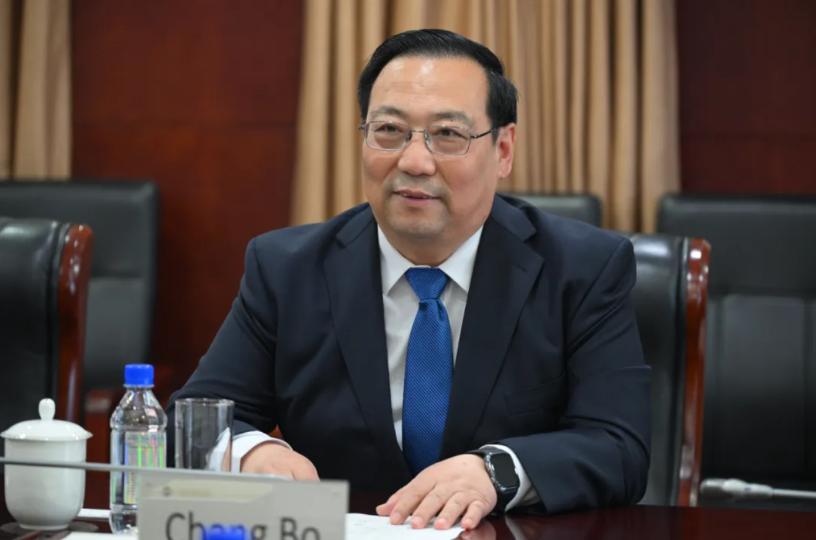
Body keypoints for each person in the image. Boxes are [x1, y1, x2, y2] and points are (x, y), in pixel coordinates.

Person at [166, 29, 651, 531]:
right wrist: (253, 452)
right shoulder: (287, 268)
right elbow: (194, 421)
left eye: (448, 134)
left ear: (503, 150)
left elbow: (620, 446)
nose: (414, 161)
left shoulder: (582, 268)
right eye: (389, 130)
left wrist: (497, 471)